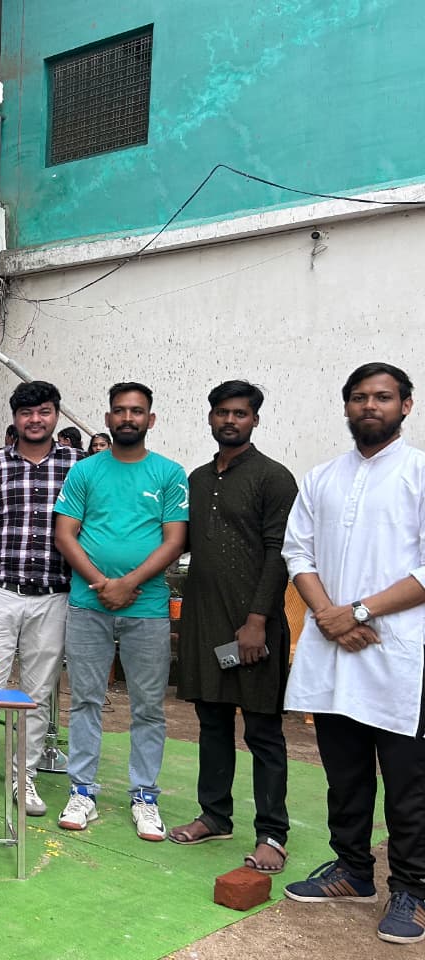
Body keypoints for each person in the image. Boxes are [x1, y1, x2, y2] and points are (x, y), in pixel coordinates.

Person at [280, 362, 425, 944]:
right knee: (344, 772)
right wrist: (329, 616)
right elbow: (298, 553)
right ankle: (353, 870)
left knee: (409, 781)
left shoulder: (418, 472)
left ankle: (413, 889)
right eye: (360, 397)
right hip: (333, 648)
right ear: (346, 406)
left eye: (383, 397)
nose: (370, 406)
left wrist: (359, 611)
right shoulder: (321, 478)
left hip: (400, 654)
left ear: (406, 405)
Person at [169, 381, 296, 873]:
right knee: (212, 724)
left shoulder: (273, 478)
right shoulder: (197, 479)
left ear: (255, 420)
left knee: (262, 731)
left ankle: (273, 834)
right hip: (205, 623)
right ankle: (214, 816)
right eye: (222, 412)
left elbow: (280, 553)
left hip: (254, 627)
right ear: (210, 418)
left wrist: (258, 621)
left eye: (240, 413)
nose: (230, 420)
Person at [52, 382, 187, 841]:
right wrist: (101, 583)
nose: (128, 418)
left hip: (147, 608)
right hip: (88, 605)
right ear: (108, 419)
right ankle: (82, 791)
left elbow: (175, 540)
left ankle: (145, 796)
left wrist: (128, 584)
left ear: (151, 419)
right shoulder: (85, 471)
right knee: (85, 700)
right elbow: (65, 534)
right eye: (120, 411)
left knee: (148, 707)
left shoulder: (169, 473)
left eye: (137, 411)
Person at [0, 381, 79, 818]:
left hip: (54, 596)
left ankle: (25, 776)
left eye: (44, 411)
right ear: (15, 418)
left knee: (37, 694)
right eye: (26, 413)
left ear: (55, 414)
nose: (35, 420)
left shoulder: (77, 465)